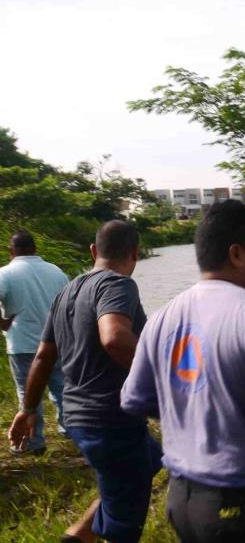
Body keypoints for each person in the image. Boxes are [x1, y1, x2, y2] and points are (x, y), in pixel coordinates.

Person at [120, 200, 245, 542]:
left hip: (182, 503)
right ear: (236, 254)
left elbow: (133, 399)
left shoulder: (161, 318)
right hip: (243, 508)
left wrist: (190, 407)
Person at [8, 220, 162, 543]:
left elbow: (42, 358)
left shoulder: (65, 293)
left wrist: (28, 409)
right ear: (135, 253)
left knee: (151, 458)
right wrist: (167, 379)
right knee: (125, 525)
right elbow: (115, 338)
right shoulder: (118, 284)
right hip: (111, 422)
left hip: (78, 419)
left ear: (93, 251)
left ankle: (79, 535)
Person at [0, 230, 68, 456]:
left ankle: (33, 442)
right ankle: (74, 431)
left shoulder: (6, 273)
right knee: (62, 390)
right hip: (56, 342)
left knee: (27, 394)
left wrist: (3, 323)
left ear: (11, 251)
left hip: (22, 343)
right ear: (35, 248)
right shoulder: (56, 271)